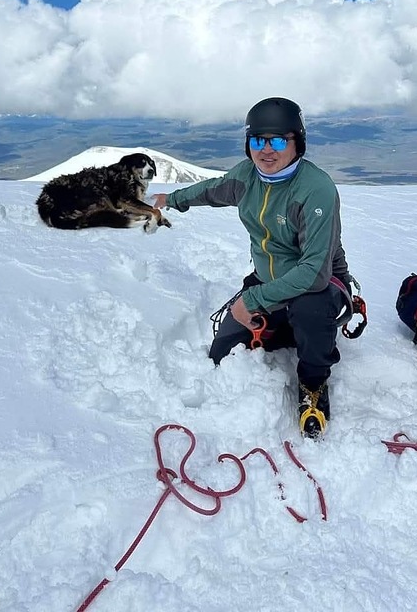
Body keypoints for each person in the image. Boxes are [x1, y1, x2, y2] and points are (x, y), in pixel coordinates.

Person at [151, 96, 353, 438]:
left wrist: (253, 300)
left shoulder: (315, 189)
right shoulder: (248, 176)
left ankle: (314, 384)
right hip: (267, 281)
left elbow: (314, 274)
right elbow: (213, 190)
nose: (267, 150)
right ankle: (287, 328)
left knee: (309, 311)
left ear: (297, 142)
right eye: (258, 140)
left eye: (278, 140)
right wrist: (172, 200)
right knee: (222, 354)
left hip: (319, 286)